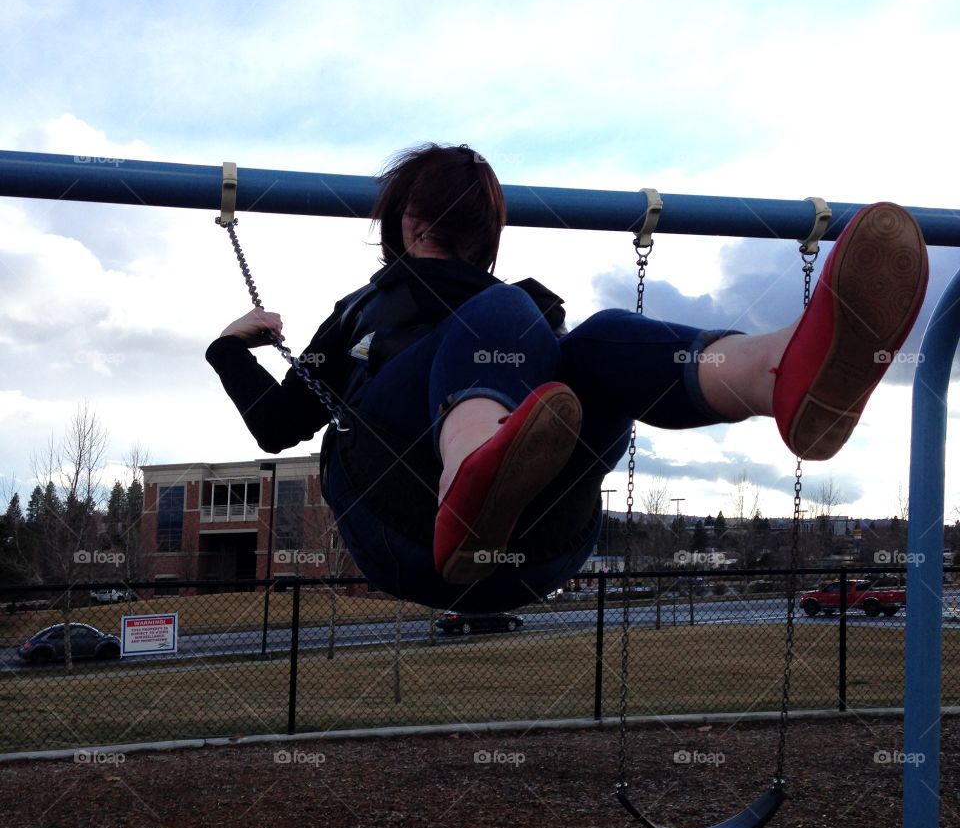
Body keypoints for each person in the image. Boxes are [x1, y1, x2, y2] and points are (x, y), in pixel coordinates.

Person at [206, 143, 928, 611]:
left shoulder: (515, 320)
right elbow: (280, 426)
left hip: (538, 539)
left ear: (407, 218)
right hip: (403, 522)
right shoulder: (391, 312)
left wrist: (230, 347)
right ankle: (470, 470)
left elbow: (273, 426)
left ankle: (778, 373)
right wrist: (233, 351)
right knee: (525, 317)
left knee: (602, 340)